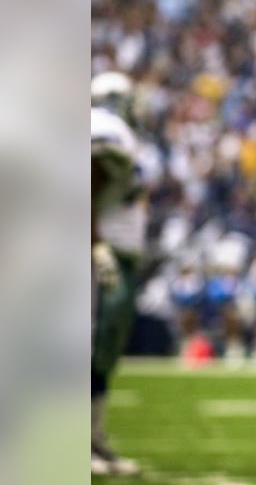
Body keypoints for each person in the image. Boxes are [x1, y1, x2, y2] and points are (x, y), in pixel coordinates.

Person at [90, 72, 146, 476]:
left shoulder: (119, 134)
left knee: (103, 350)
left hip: (114, 251)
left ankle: (94, 438)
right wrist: (95, 243)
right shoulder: (108, 131)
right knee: (91, 344)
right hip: (99, 253)